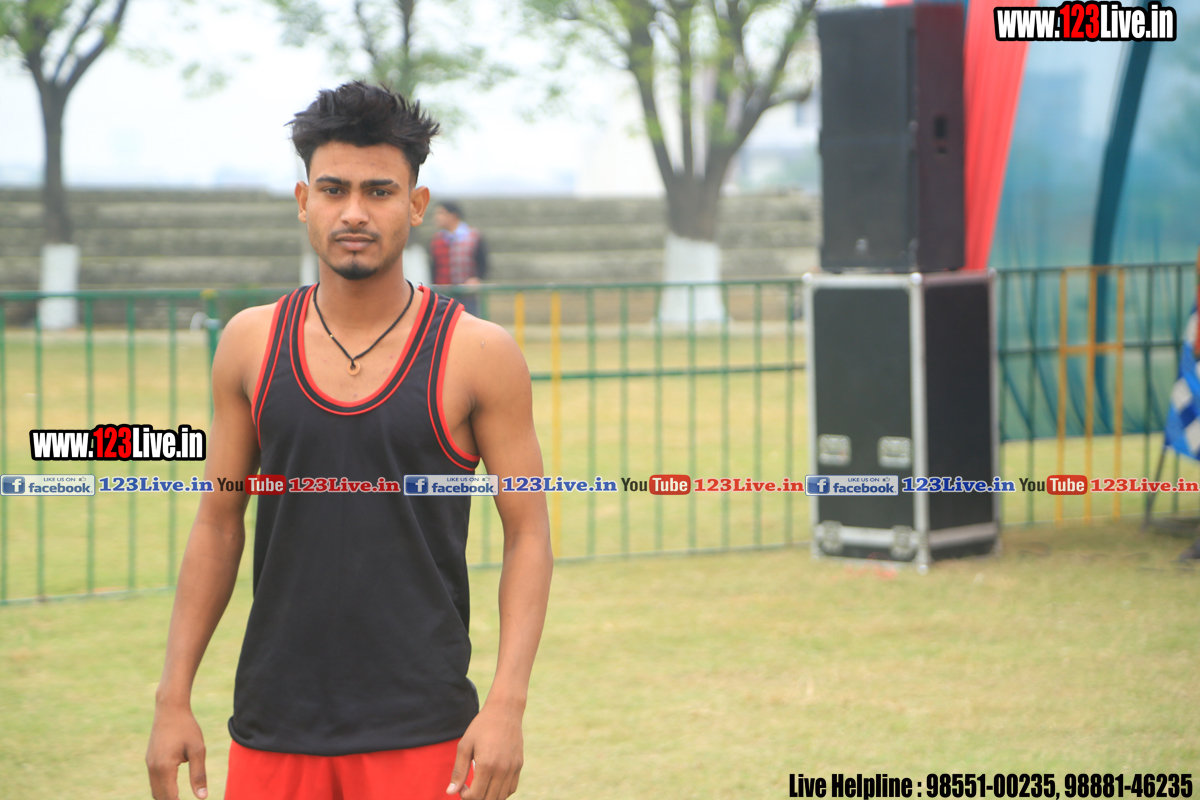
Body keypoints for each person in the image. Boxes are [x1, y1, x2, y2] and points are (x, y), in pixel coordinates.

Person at [145, 81, 553, 800]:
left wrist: (507, 704)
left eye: (379, 191)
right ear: (304, 201)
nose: (355, 212)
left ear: (416, 205)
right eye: (333, 189)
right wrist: (172, 696)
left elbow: (528, 534)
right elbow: (218, 522)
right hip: (273, 724)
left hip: (423, 729)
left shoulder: (478, 353)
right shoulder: (250, 343)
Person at [430, 200, 489, 317]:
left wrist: (477, 279)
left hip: (468, 295)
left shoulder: (473, 236)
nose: (437, 217)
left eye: (441, 213)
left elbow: (483, 262)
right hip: (444, 295)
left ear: (452, 215)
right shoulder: (437, 239)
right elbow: (434, 267)